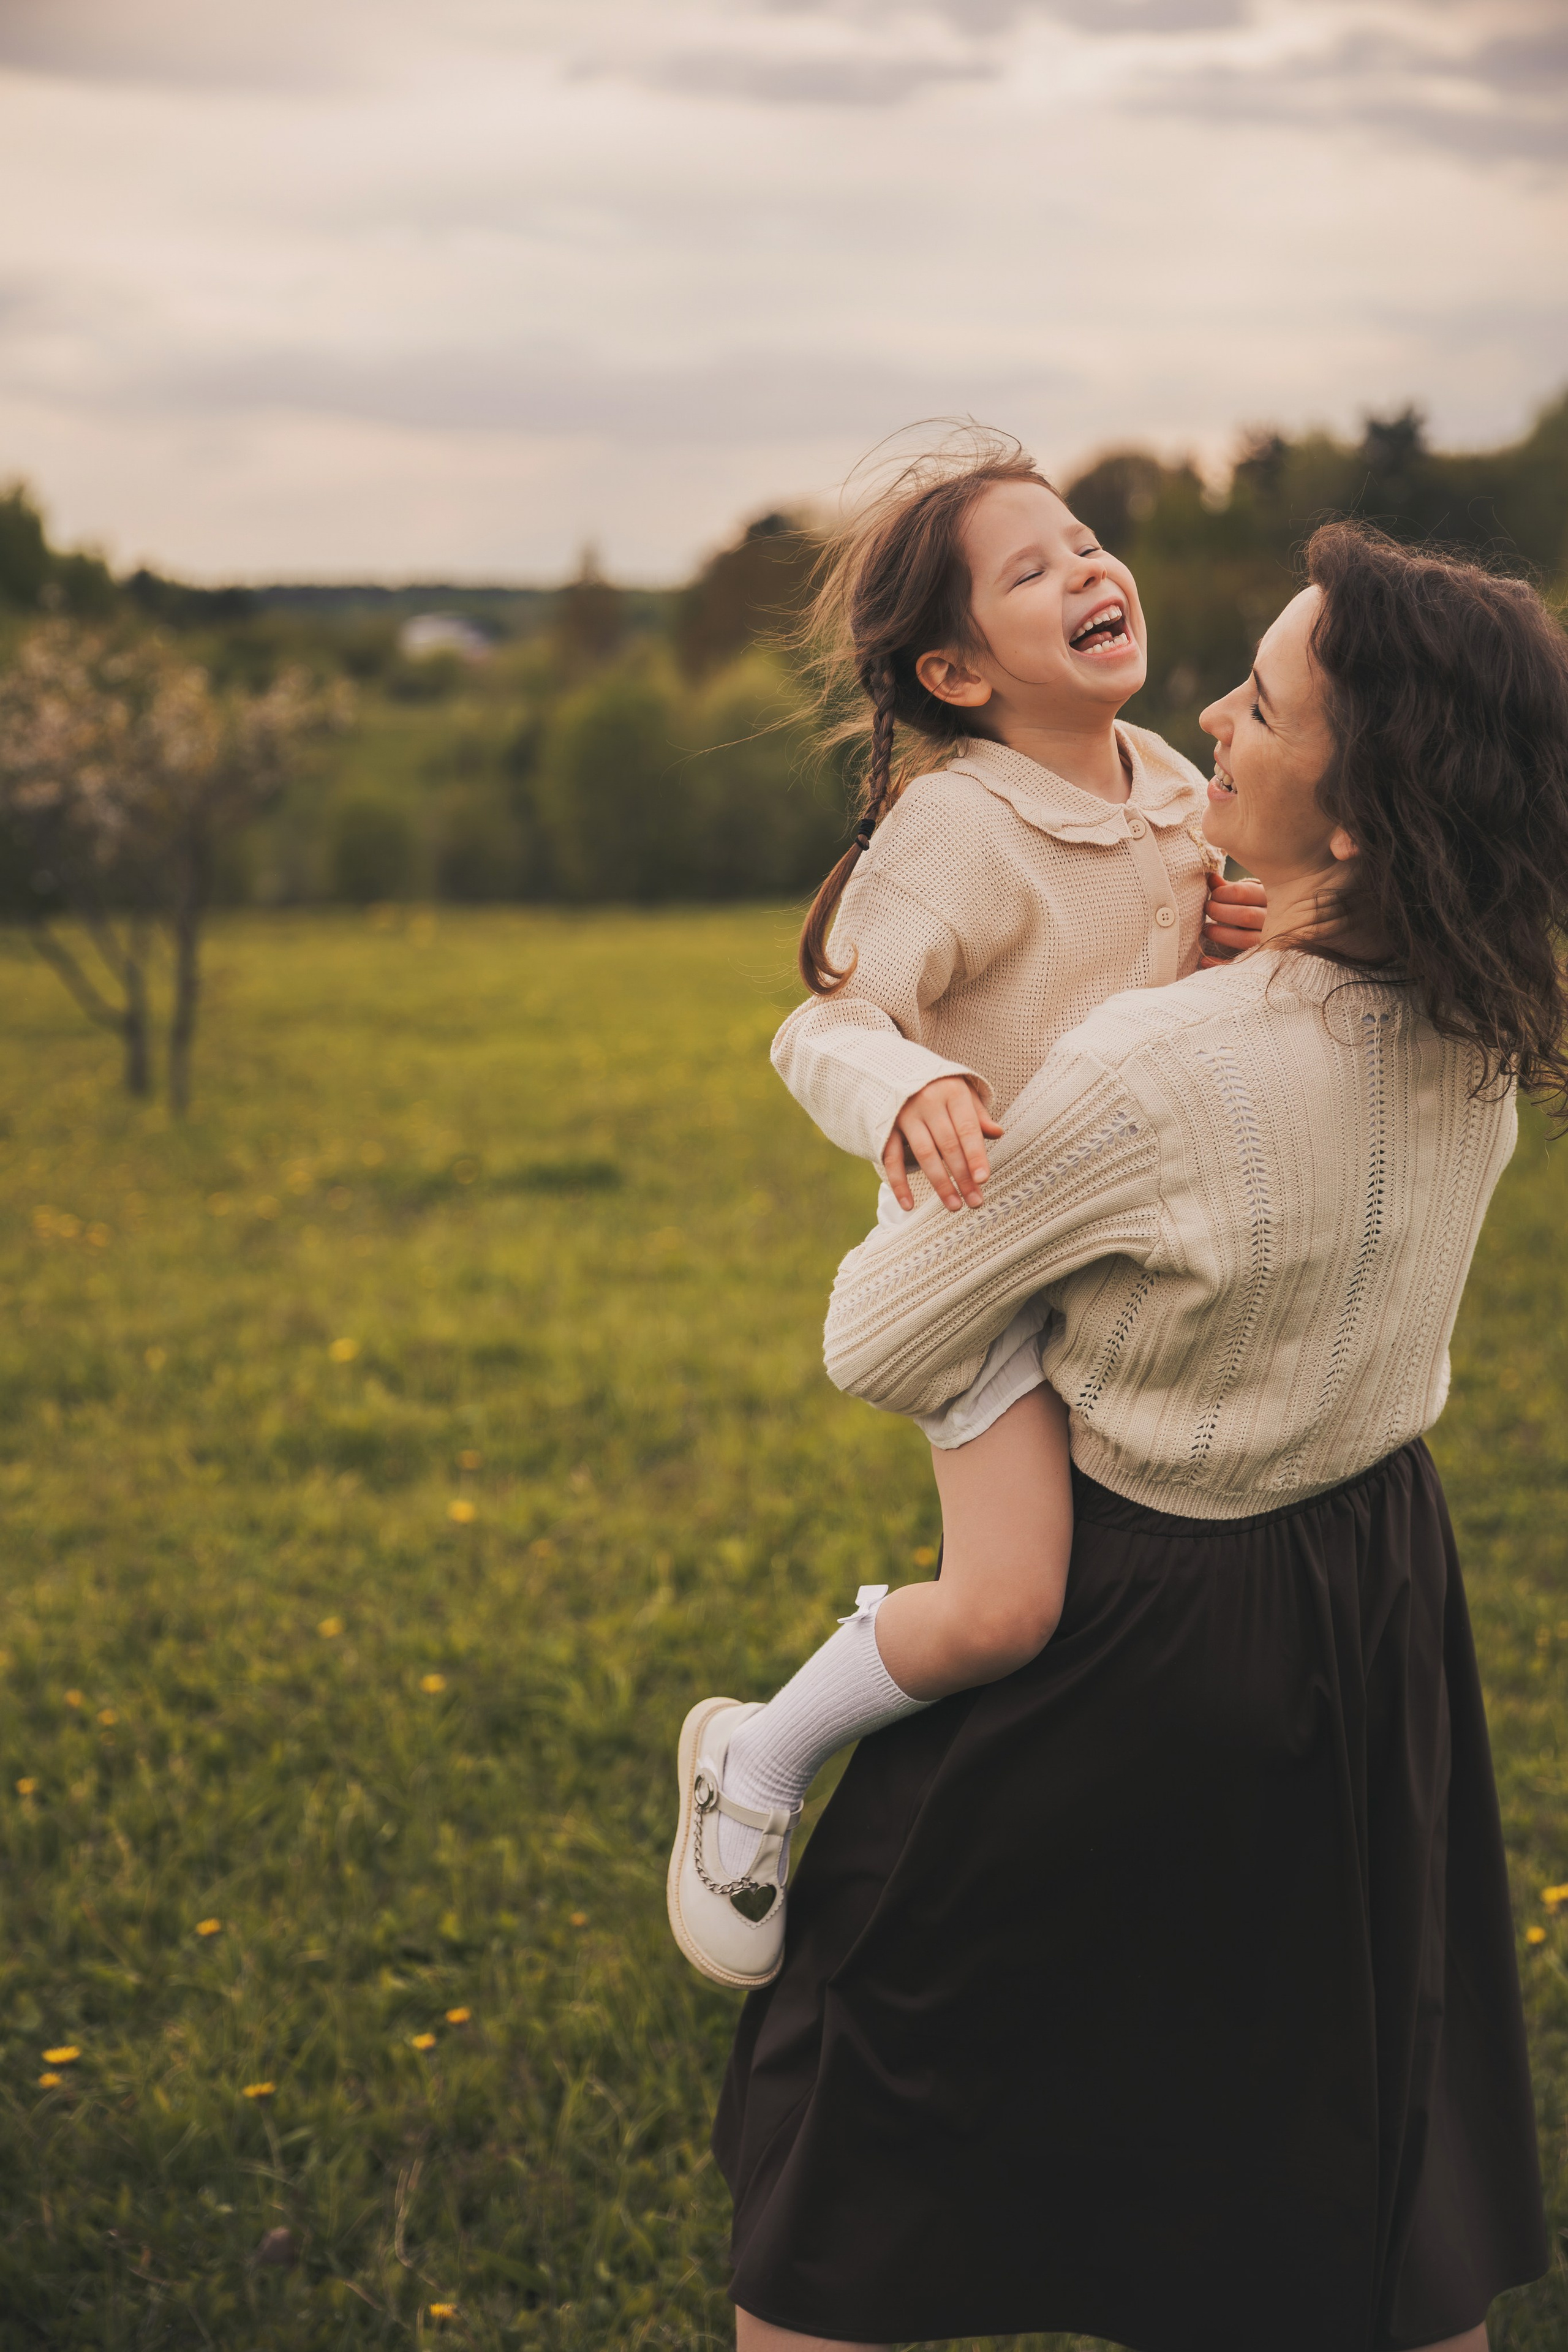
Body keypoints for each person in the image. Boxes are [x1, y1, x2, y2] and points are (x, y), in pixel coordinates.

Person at [714, 521, 1567, 2352]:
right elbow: (845, 1003)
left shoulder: (1159, 1067)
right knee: (1348, 2099)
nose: (1211, 716)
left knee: (880, 2060)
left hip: (1145, 1616)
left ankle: (756, 1764)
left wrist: (979, 1193)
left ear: (1359, 817)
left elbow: (881, 1333)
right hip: (1375, 1586)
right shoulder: (1488, 1018)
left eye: (1259, 703)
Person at [666, 432, 1263, 1991]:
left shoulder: (1178, 794)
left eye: (1079, 541)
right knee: (1004, 1607)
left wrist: (1239, 940)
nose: (1084, 568)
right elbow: (826, 1021)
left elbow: (1166, 1019)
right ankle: (756, 1756)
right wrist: (908, 1088)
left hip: (1124, 1250)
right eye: (1030, 569)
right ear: (953, 668)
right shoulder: (957, 828)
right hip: (979, 1262)